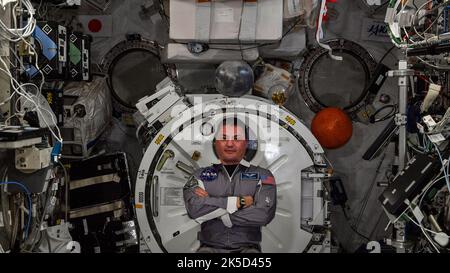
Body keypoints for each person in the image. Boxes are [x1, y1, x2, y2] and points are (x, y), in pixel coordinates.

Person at [183, 117, 277, 253]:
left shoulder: (263, 174)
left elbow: (263, 214)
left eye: (237, 139)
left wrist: (216, 208)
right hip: (208, 249)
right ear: (216, 143)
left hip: (248, 251)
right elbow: (194, 209)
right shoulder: (199, 175)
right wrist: (237, 202)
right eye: (224, 138)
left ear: (246, 143)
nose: (230, 144)